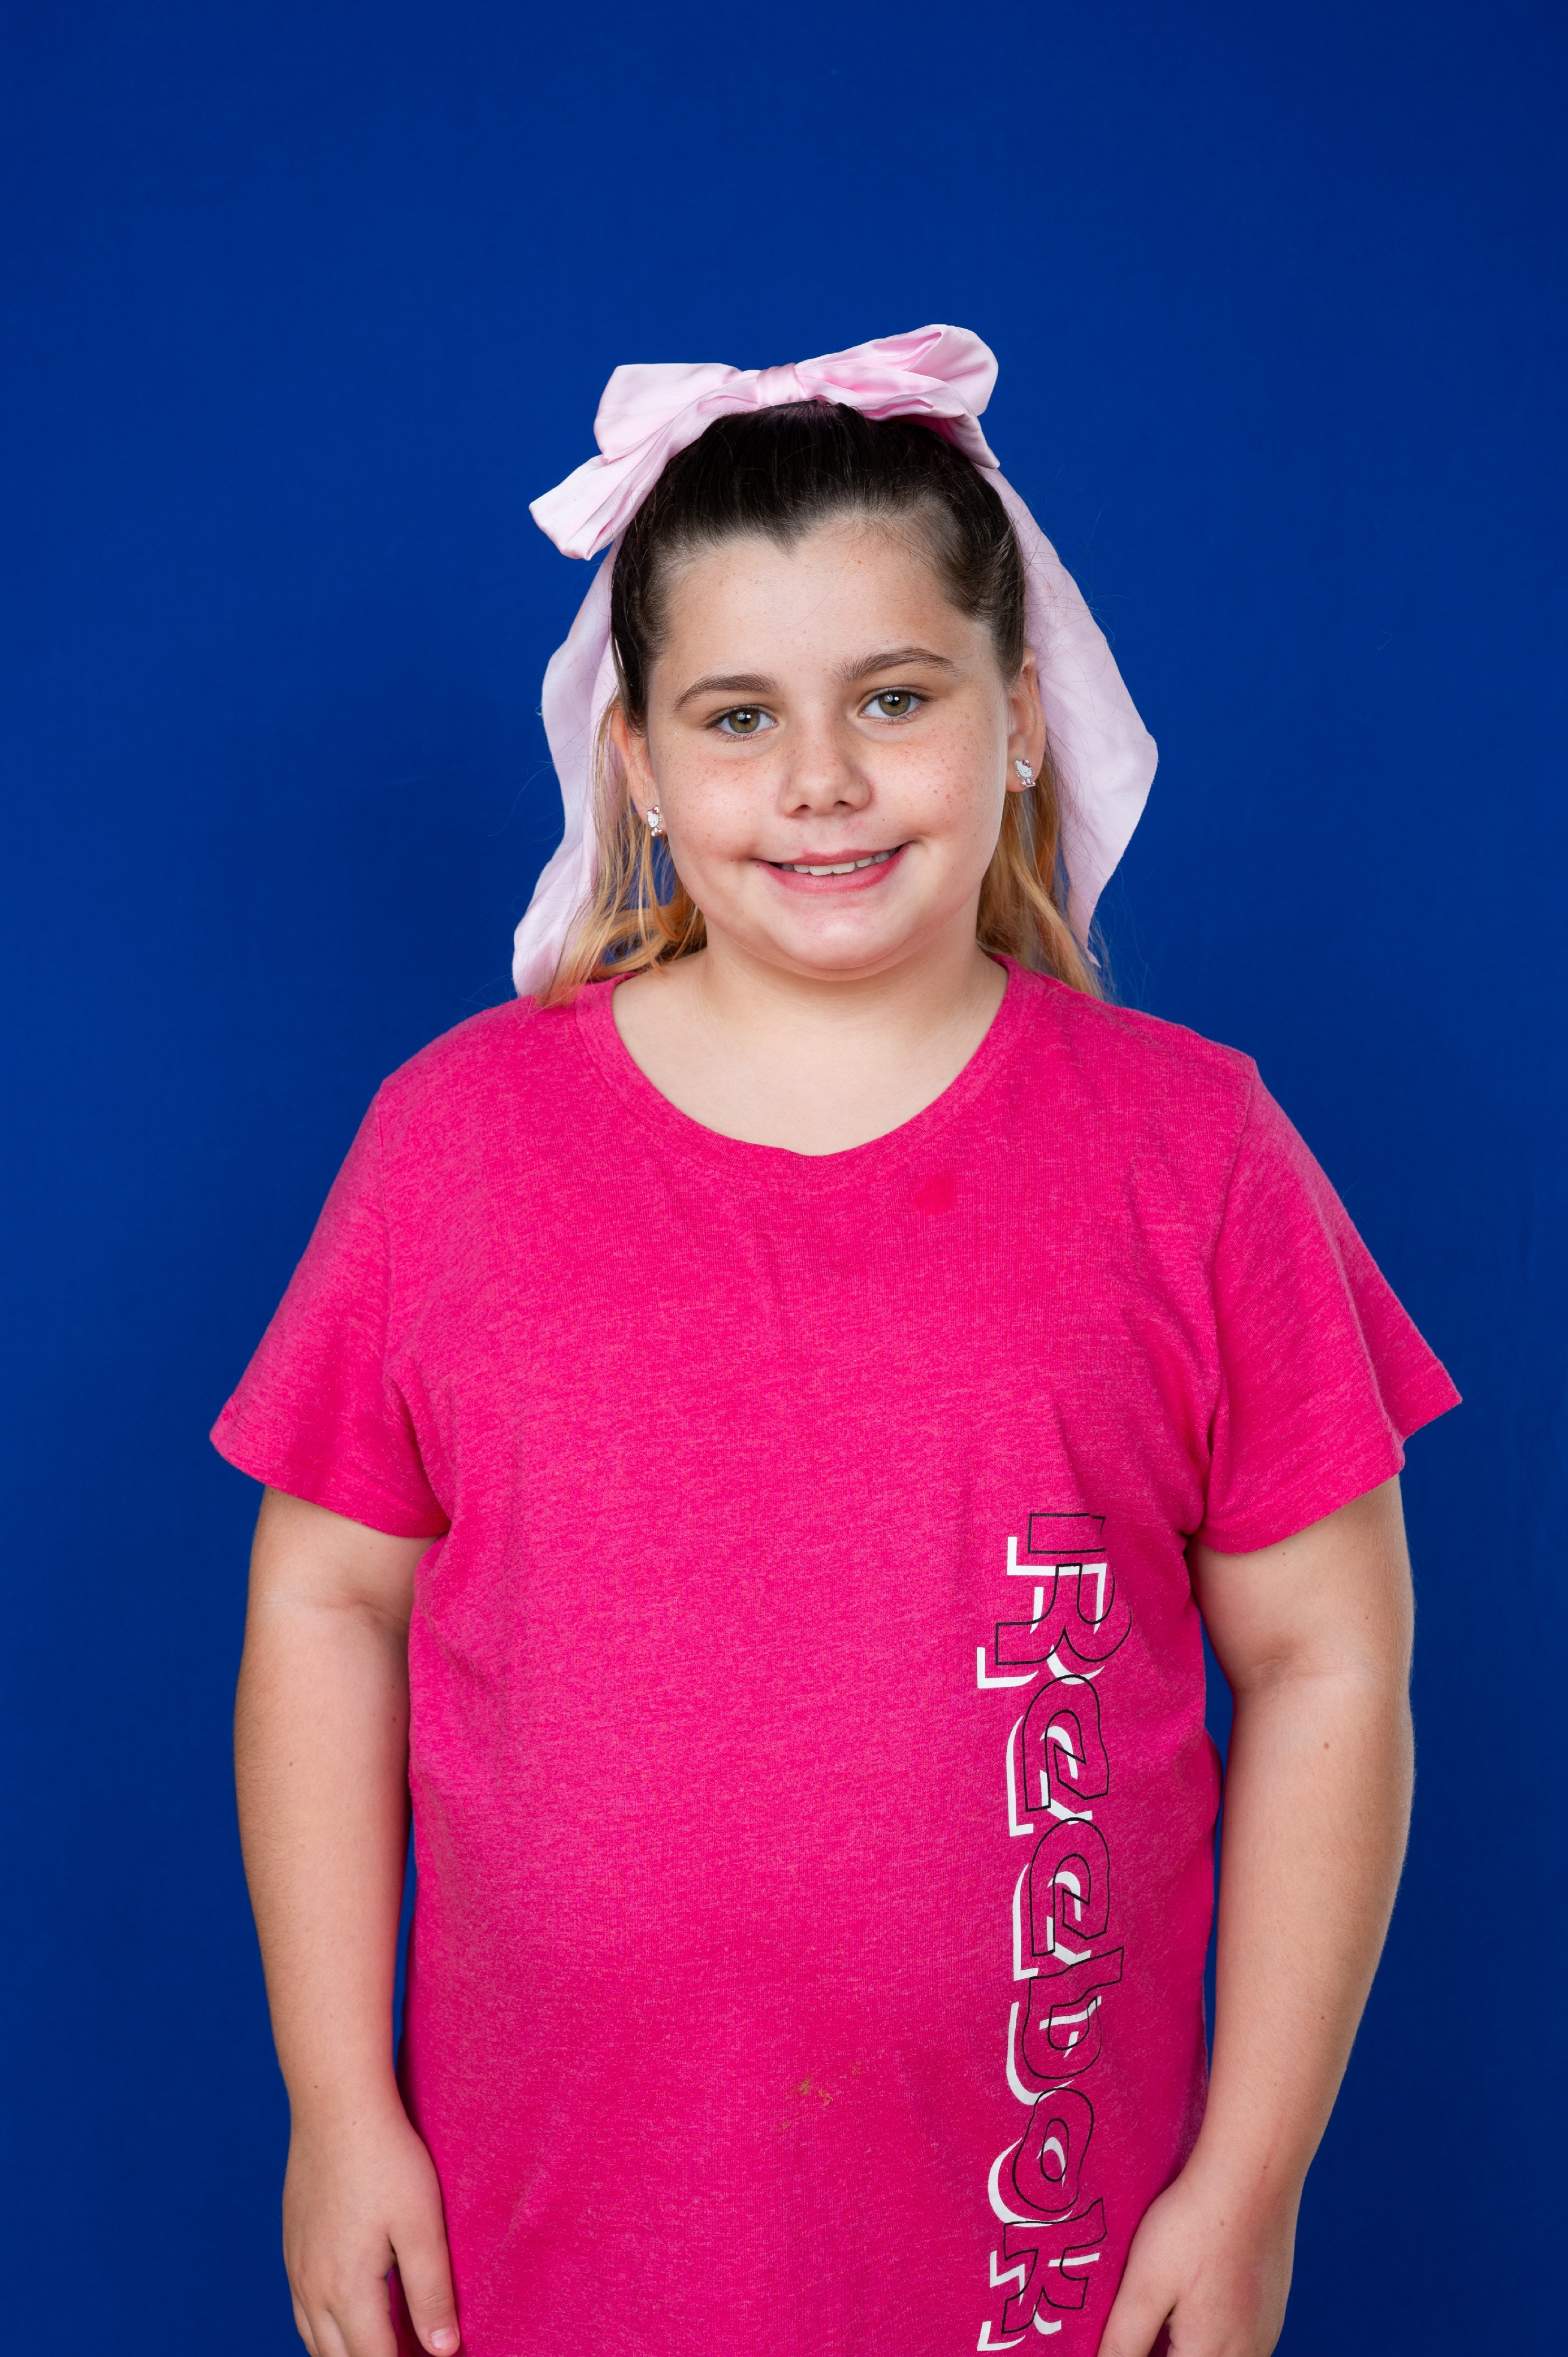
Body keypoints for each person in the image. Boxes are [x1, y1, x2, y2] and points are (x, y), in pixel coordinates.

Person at [218, 327, 1458, 2357]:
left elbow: (1332, 1653)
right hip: (551, 2248)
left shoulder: (1197, 1151)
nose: (819, 782)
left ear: (1021, 715)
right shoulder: (455, 1146)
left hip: (1041, 2253)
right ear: (635, 759)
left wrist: (1250, 2179)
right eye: (738, 716)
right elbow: (326, 1603)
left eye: (895, 697)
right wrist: (337, 2101)